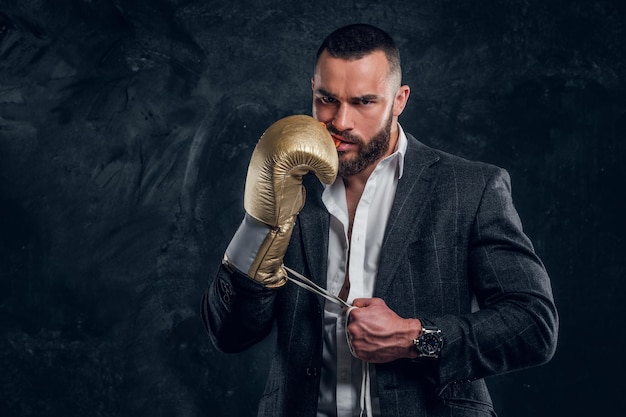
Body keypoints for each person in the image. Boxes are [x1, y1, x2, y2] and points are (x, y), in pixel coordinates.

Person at [202, 23, 558, 417]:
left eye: (364, 102)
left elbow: (534, 325)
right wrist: (260, 224)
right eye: (326, 99)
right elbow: (229, 334)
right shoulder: (288, 182)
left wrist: (416, 338)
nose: (340, 121)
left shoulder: (470, 187)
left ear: (399, 99)